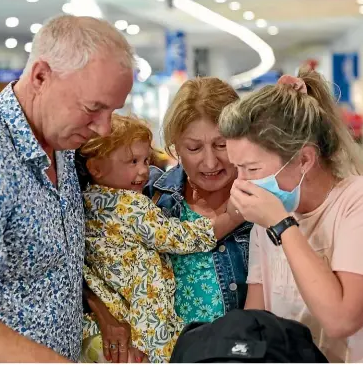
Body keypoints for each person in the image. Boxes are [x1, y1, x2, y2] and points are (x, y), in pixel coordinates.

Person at [84, 76, 363, 362]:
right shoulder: (149, 203)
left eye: (225, 149)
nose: (212, 164)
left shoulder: (273, 211)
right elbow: (254, 321)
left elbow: (342, 313)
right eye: (193, 148)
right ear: (174, 147)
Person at [0, 14, 134, 363]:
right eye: (93, 108)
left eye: (112, 111)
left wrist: (104, 316)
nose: (104, 129)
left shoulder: (58, 142)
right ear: (40, 76)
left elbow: (53, 269)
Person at [220, 71, 363, 362]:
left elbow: (341, 319)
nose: (240, 183)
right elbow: (259, 323)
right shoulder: (267, 219)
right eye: (237, 168)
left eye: (252, 170)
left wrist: (282, 225)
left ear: (305, 159)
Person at [77, 114, 242, 363]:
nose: (144, 171)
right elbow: (177, 236)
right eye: (132, 161)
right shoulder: (132, 204)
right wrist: (233, 216)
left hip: (106, 323)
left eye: (145, 160)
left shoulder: (85, 202)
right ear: (96, 168)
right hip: (147, 327)